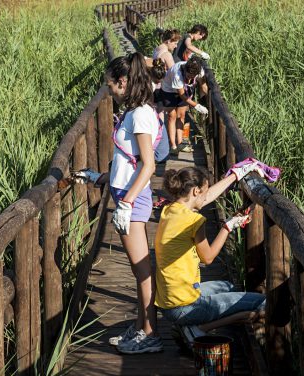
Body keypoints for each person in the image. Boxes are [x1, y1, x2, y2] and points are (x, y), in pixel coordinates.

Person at [75, 52, 163, 354]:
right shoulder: (135, 110)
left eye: (110, 85)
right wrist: (99, 178)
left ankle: (150, 333)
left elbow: (148, 165)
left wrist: (125, 203)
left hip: (133, 200)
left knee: (142, 271)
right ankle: (140, 326)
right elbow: (130, 161)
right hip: (127, 195)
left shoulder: (139, 116)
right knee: (139, 270)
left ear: (123, 82)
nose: (109, 91)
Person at [154, 165, 267, 333]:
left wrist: (235, 175)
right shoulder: (193, 221)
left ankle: (192, 326)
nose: (207, 197)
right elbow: (207, 258)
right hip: (187, 308)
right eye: (205, 192)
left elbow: (203, 199)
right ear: (195, 191)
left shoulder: (170, 210)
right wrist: (227, 227)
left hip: (168, 302)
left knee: (227, 286)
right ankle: (198, 329)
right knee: (261, 301)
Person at [160, 56, 208, 154]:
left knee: (181, 115)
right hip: (169, 89)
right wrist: (197, 106)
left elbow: (203, 85)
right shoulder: (177, 74)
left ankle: (180, 143)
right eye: (188, 75)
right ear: (185, 69)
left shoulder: (200, 71)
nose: (190, 78)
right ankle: (173, 146)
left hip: (184, 88)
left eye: (193, 76)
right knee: (172, 116)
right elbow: (182, 95)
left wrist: (205, 98)